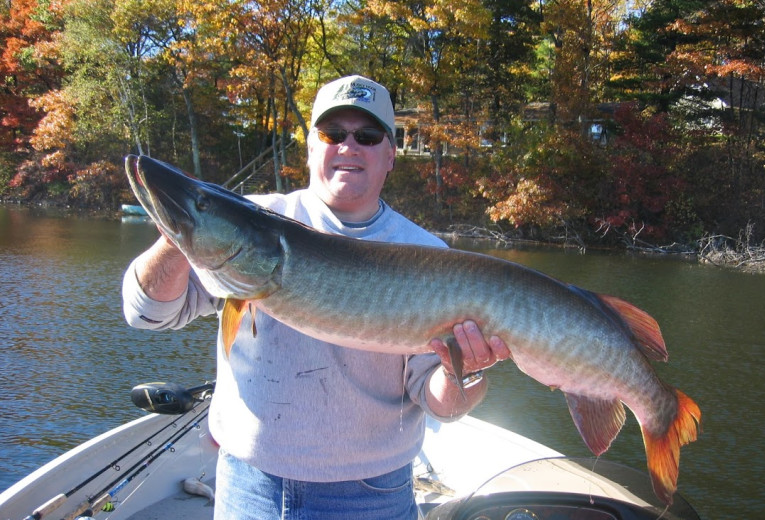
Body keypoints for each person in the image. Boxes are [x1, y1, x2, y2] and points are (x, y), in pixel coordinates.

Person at [121, 75, 510, 519]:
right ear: (309, 148)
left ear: (390, 155)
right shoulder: (255, 227)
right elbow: (145, 313)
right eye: (332, 134)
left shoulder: (430, 260)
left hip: (371, 498)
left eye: (367, 135)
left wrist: (467, 373)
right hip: (250, 489)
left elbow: (439, 402)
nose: (349, 146)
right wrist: (179, 236)